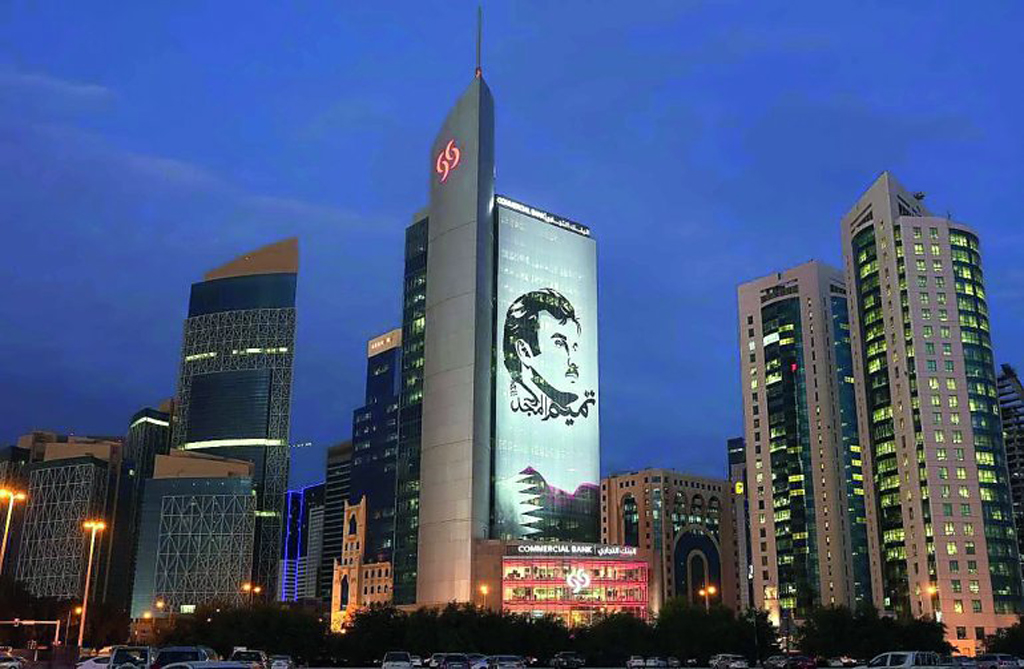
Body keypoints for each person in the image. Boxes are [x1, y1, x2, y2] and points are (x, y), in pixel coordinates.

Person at [502, 287, 595, 423]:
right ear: (524, 351)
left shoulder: (573, 408)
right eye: (559, 343)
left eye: (575, 347)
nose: (573, 361)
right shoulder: (512, 409)